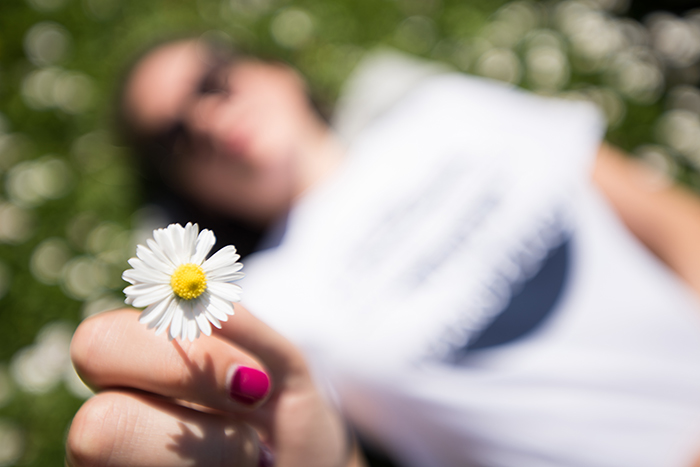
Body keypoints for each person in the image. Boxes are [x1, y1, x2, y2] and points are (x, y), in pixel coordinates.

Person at [65, 38, 700, 467]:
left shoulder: (447, 108)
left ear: (278, 70)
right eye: (174, 135)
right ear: (187, 191)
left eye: (213, 80)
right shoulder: (256, 306)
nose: (206, 117)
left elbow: (672, 221)